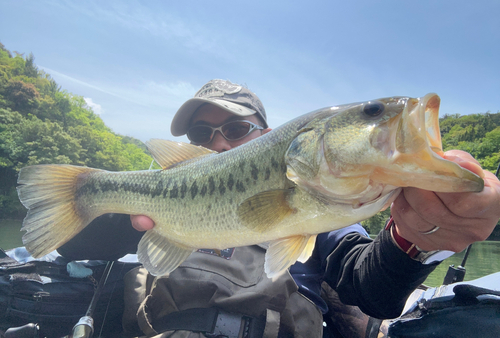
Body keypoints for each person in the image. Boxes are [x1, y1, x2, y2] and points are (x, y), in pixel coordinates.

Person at [58, 79, 500, 338]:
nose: (218, 143)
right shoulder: (153, 209)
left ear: (270, 136)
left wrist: (420, 236)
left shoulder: (325, 215)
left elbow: (372, 291)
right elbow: (69, 248)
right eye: (199, 135)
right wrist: (116, 211)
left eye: (235, 127)